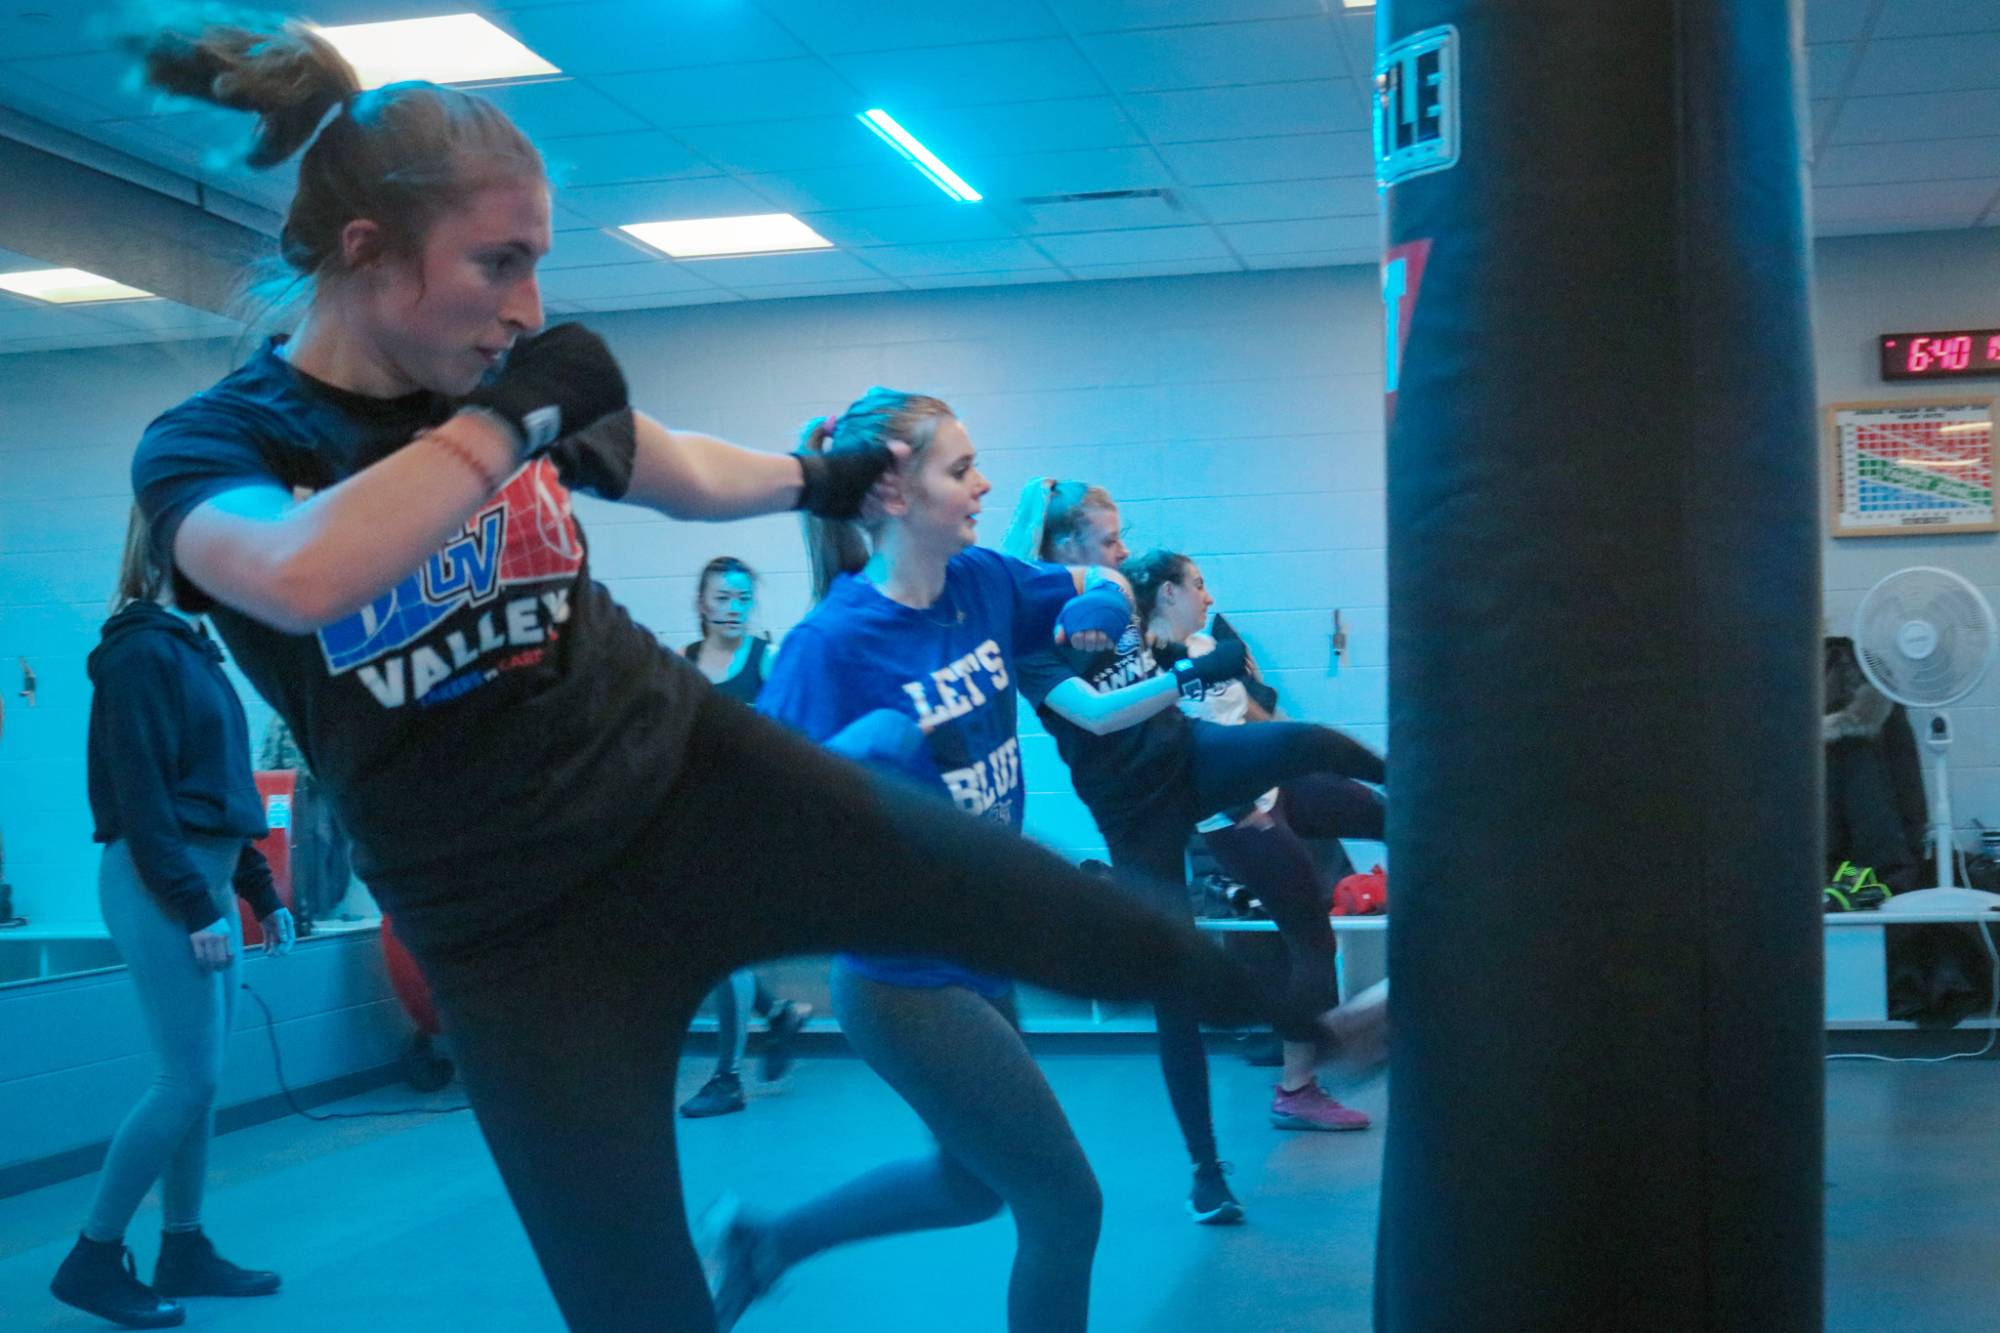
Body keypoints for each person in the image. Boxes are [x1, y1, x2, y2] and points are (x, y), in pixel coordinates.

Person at [119, 16, 1302, 1329]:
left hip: (680, 777)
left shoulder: (503, 378)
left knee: (1025, 898)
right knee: (637, 1301)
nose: (528, 308)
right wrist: (505, 423)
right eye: (498, 263)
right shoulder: (221, 443)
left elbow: (676, 467)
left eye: (538, 264)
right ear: (366, 251)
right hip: (511, 932)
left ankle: (1316, 1015)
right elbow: (297, 573)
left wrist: (815, 477)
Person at [703, 392, 1156, 1331]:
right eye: (960, 469)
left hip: (980, 947)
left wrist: (1104, 601)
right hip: (905, 980)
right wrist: (850, 761)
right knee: (1066, 1204)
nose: (983, 484)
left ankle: (769, 1241)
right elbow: (749, 826)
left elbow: (1100, 581)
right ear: (893, 495)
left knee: (971, 1184)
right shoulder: (831, 646)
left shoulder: (979, 582)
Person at [1006, 479, 1390, 1222]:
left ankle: (1430, 798)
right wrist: (1188, 673)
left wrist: (1189, 650)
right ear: (1065, 545)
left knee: (1304, 743)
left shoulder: (1112, 590)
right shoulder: (1031, 634)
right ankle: (1206, 1172)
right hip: (1134, 812)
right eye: (1108, 539)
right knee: (1173, 987)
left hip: (1187, 757)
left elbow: (1159, 637)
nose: (1122, 550)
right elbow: (1098, 714)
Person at [51, 508, 296, 1331]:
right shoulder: (138, 651)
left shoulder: (196, 650)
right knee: (182, 1080)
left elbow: (222, 791)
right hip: (160, 883)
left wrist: (259, 890)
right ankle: (92, 1256)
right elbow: (144, 797)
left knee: (204, 1082)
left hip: (205, 881)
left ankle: (184, 1246)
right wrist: (196, 904)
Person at [1129, 547, 1382, 1132]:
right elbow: (1174, 759)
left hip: (1275, 788)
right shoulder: (1153, 671)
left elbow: (1254, 723)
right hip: (1235, 818)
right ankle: (1297, 1090)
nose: (1208, 596)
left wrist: (1306, 756)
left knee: (1388, 814)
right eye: (1197, 584)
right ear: (1168, 593)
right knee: (1312, 938)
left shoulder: (1207, 648)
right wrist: (1243, 808)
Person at [677, 557, 811, 1119]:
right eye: (723, 598)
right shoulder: (682, 665)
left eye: (742, 598)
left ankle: (727, 1079)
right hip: (700, 826)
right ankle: (780, 1014)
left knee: (722, 947)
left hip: (754, 825)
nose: (733, 608)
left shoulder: (767, 661)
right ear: (702, 604)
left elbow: (795, 738)